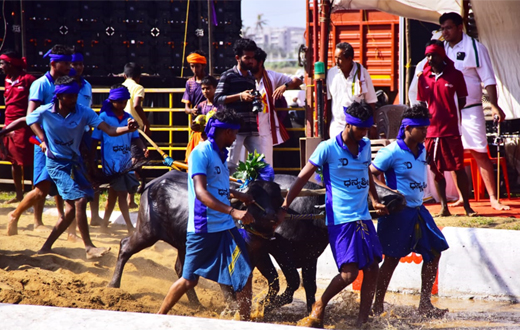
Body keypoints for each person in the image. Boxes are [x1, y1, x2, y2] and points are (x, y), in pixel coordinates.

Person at [278, 102, 388, 328]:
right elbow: (301, 178)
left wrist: (375, 200)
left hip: (363, 218)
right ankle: (320, 304)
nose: (366, 133)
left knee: (372, 268)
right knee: (349, 274)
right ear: (349, 125)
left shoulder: (365, 145)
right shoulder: (327, 148)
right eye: (362, 129)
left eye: (367, 129)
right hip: (340, 218)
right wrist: (285, 204)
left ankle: (362, 322)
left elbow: (366, 172)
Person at [157, 107, 255, 320]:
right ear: (227, 132)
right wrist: (233, 211)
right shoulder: (200, 153)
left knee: (244, 274)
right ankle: (159, 316)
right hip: (204, 227)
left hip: (226, 227)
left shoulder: (220, 155)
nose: (235, 137)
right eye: (235, 133)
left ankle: (246, 323)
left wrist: (239, 194)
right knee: (189, 280)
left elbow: (218, 187)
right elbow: (201, 192)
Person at [26, 76, 139, 259]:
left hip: (74, 162)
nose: (74, 99)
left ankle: (46, 247)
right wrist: (43, 138)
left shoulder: (84, 112)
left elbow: (110, 130)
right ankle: (89, 247)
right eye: (69, 96)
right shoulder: (46, 110)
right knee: (79, 201)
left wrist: (128, 129)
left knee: (72, 210)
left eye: (75, 95)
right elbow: (29, 120)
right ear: (60, 97)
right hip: (56, 164)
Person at [371, 104, 450, 318]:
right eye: (421, 129)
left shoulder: (423, 149)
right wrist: (387, 193)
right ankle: (376, 305)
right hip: (398, 213)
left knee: (434, 253)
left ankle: (425, 304)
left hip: (419, 210)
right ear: (407, 128)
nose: (426, 132)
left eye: (426, 128)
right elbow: (370, 174)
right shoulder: (391, 152)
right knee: (391, 259)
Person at [440, 12, 509, 211]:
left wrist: (494, 104)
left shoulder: (475, 48)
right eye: (443, 28)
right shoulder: (441, 49)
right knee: (454, 153)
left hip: (471, 109)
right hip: (449, 110)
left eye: (449, 28)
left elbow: (488, 79)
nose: (445, 32)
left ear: (460, 27)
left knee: (479, 152)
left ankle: (494, 198)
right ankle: (462, 196)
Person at [6, 44, 72, 236]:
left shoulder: (66, 83)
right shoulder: (40, 84)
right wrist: (43, 139)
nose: (69, 66)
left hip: (62, 143)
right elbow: (31, 116)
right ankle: (16, 215)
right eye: (65, 63)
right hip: (44, 144)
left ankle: (68, 228)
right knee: (41, 189)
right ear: (54, 63)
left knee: (62, 186)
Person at [417, 40, 475, 217]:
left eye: (433, 54)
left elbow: (463, 100)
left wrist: (450, 114)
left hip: (452, 131)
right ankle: (444, 207)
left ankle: (467, 206)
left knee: (458, 168)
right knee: (436, 169)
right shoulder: (423, 78)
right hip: (431, 132)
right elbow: (421, 104)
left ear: (442, 55)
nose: (430, 58)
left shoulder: (456, 75)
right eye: (427, 55)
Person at [91, 84, 148, 233]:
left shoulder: (129, 118)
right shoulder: (103, 118)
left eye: (124, 102)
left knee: (114, 194)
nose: (122, 105)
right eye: (119, 102)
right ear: (111, 101)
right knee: (122, 194)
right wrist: (93, 162)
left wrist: (143, 148)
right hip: (111, 164)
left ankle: (104, 224)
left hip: (125, 162)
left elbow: (136, 137)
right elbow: (95, 140)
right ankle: (130, 226)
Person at [250, 47, 302, 166]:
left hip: (266, 130)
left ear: (260, 62)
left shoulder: (271, 77)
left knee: (267, 164)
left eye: (251, 60)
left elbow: (298, 80)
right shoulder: (245, 78)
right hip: (248, 129)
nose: (249, 63)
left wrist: (285, 86)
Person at [214, 38, 260, 166]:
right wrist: (240, 96)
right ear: (237, 58)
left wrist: (255, 98)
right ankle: (226, 186)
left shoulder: (251, 77)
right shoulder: (228, 75)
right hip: (233, 128)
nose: (251, 61)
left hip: (251, 127)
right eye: (247, 58)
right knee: (231, 163)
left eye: (252, 58)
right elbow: (218, 99)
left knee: (260, 162)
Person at [0, 50, 36, 203]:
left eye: (2, 63)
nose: (0, 66)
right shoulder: (7, 80)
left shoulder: (28, 79)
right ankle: (19, 194)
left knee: (31, 160)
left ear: (11, 64)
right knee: (13, 160)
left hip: (25, 124)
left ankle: (35, 194)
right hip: (9, 125)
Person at [326, 42, 377, 139]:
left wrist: (371, 125)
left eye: (339, 58)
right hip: (337, 126)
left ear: (349, 59)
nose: (336, 61)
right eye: (335, 57)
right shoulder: (331, 74)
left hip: (358, 126)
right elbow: (329, 102)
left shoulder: (362, 73)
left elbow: (371, 102)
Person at [122, 62, 148, 208]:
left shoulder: (121, 86)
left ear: (124, 75)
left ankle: (128, 197)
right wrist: (146, 123)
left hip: (120, 128)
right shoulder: (138, 87)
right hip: (134, 130)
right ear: (139, 77)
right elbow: (137, 105)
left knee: (128, 161)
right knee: (136, 162)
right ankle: (130, 199)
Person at [185, 75, 219, 162]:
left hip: (216, 140)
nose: (205, 91)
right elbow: (195, 123)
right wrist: (194, 126)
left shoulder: (220, 106)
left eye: (208, 88)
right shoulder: (201, 105)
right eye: (203, 89)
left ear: (215, 88)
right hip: (202, 139)